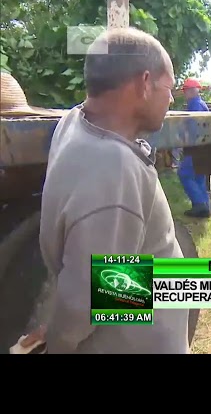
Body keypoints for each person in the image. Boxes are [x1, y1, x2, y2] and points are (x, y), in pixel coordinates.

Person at [38, 27, 190, 354]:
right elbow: (88, 298)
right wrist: (60, 342)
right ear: (144, 83)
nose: (172, 97)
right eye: (169, 86)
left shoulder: (73, 122)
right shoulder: (115, 170)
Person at [177, 78, 211, 217]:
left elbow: (192, 129)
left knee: (184, 173)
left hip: (195, 147)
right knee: (198, 176)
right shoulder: (200, 104)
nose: (184, 93)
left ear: (192, 91)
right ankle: (204, 206)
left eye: (185, 90)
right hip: (204, 147)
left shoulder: (195, 106)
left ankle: (199, 204)